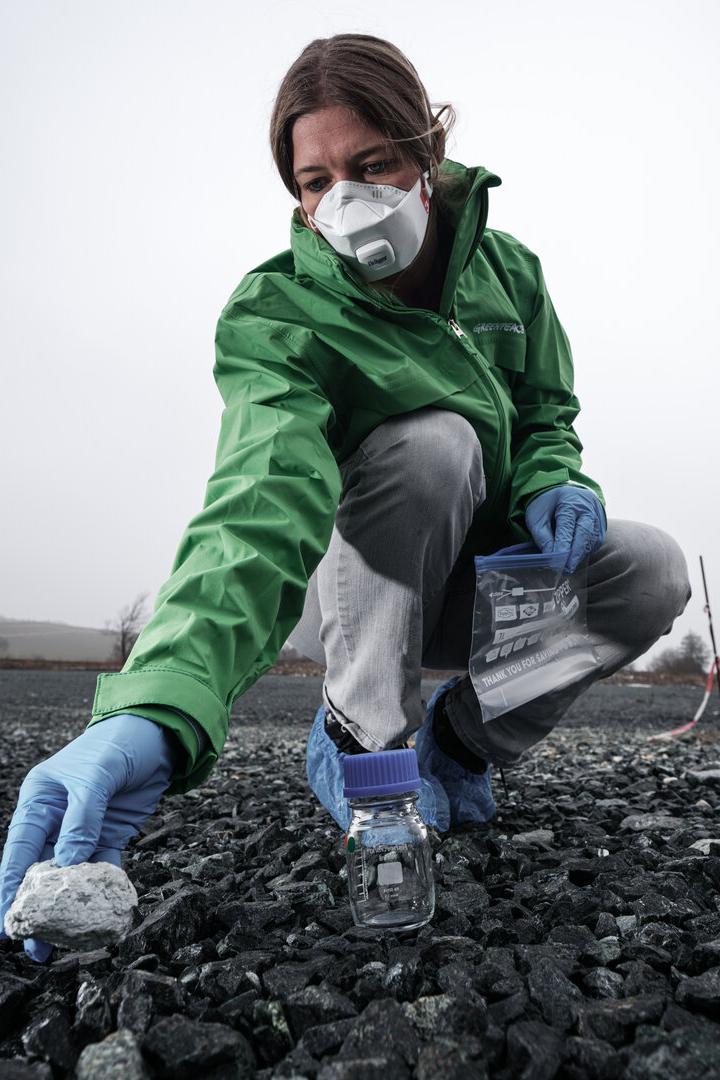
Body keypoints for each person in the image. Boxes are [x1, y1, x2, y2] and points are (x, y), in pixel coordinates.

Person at [0, 33, 691, 961]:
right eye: (316, 180)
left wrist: (554, 477)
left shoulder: (510, 272)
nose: (346, 199)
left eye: (373, 165)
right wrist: (154, 703)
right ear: (294, 192)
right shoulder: (280, 313)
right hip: (360, 592)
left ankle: (464, 743)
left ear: (426, 153)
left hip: (474, 581)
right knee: (434, 442)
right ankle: (364, 745)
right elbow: (258, 500)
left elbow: (544, 411)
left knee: (648, 570)